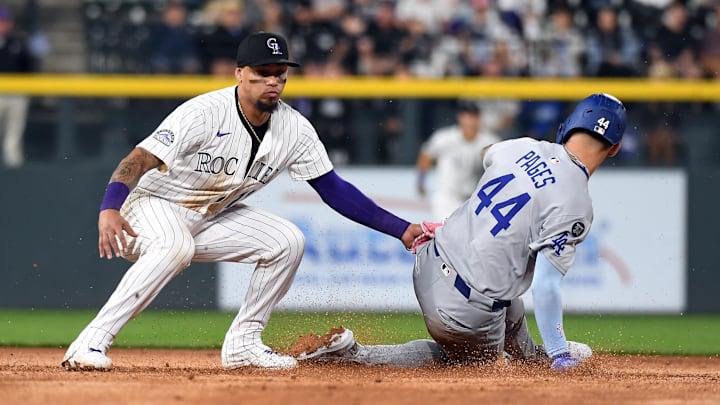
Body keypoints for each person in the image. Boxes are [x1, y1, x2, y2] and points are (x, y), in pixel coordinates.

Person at [61, 32, 421, 371]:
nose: (273, 81)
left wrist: (401, 229)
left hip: (210, 216)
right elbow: (138, 159)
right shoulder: (204, 112)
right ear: (239, 74)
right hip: (150, 207)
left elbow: (333, 188)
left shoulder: (294, 129)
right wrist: (110, 207)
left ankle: (243, 344)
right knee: (175, 245)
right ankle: (90, 343)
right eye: (262, 73)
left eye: (279, 74)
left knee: (286, 241)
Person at [296, 93, 626, 371]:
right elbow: (546, 286)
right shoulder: (576, 202)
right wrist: (560, 353)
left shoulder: (522, 146)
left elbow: (488, 158)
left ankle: (531, 358)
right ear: (614, 148)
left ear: (567, 126)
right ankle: (355, 355)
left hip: (429, 260)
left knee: (507, 297)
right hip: (461, 311)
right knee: (470, 363)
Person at [416, 100, 501, 221]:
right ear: (460, 118)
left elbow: (501, 165)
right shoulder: (445, 137)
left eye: (473, 116)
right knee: (448, 233)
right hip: (446, 198)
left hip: (472, 199)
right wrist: (420, 181)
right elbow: (426, 155)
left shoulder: (489, 140)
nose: (469, 121)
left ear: (479, 118)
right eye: (466, 116)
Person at [0, 6, 34, 168]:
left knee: (13, 135)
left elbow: (29, 67)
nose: (3, 25)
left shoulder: (17, 44)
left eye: (5, 22)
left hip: (16, 94)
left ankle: (13, 167)